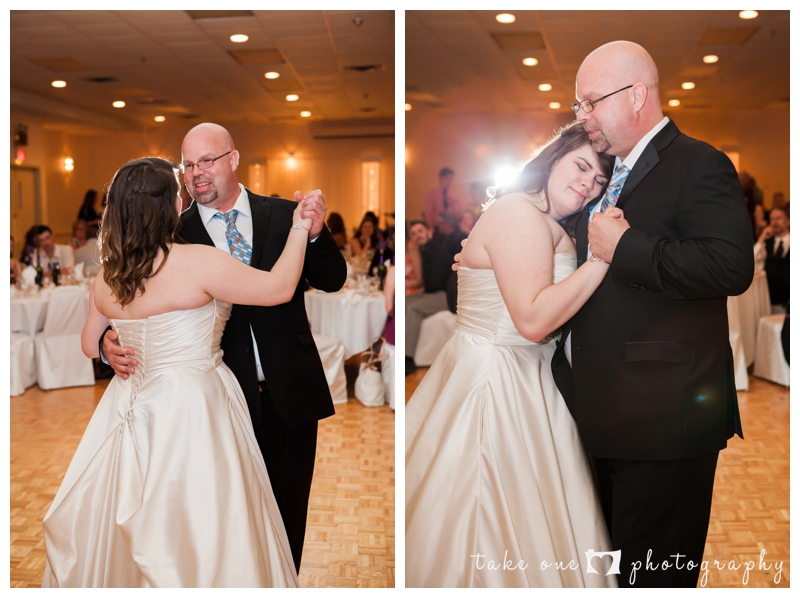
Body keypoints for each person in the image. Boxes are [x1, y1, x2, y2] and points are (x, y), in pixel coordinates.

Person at [42, 156, 312, 587]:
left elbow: (89, 343)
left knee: (138, 511)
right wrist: (300, 227)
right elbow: (279, 288)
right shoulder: (199, 261)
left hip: (130, 404)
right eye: (178, 192)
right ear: (166, 206)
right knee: (205, 515)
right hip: (194, 406)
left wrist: (109, 346)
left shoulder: (109, 274)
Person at [102, 123, 347, 574]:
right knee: (225, 520)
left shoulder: (284, 213)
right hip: (217, 403)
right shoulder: (172, 231)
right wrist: (107, 341)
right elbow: (130, 298)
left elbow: (332, 280)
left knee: (289, 510)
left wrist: (313, 233)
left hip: (290, 388)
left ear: (233, 159)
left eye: (206, 161)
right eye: (188, 165)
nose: (196, 173)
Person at [551, 41, 753, 587]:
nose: (582, 115)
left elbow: (731, 266)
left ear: (636, 95)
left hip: (665, 419)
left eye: (591, 101)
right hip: (601, 412)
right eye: (578, 104)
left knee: (654, 579)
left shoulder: (699, 163)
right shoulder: (604, 173)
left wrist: (628, 247)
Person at [406, 121, 615, 587]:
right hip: (498, 377)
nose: (588, 183)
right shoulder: (520, 213)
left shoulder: (543, 219)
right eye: (582, 166)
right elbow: (534, 321)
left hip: (529, 374)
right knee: (485, 516)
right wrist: (603, 258)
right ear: (554, 157)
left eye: (600, 180)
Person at [754, 205, 789, 312]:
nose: (775, 222)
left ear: (788, 221)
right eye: (772, 219)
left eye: (779, 218)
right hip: (768, 301)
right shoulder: (767, 244)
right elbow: (753, 261)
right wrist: (762, 238)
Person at [425, 167, 463, 231]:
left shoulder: (454, 193)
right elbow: (428, 213)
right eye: (448, 179)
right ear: (441, 178)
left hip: (453, 225)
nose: (450, 182)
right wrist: (431, 227)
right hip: (438, 226)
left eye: (451, 180)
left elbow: (459, 211)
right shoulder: (432, 194)